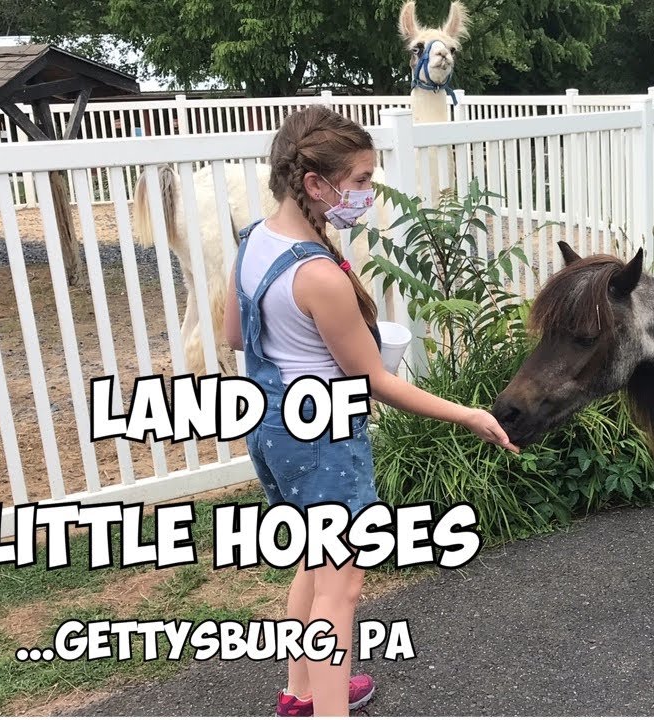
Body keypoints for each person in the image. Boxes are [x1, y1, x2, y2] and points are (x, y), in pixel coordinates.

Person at [223, 105, 518, 717]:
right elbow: (375, 380)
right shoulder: (319, 276)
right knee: (343, 587)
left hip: (273, 428)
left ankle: (300, 695)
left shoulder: (253, 241)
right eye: (360, 180)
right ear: (315, 183)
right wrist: (466, 414)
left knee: (313, 562)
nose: (366, 193)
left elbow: (234, 335)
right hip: (323, 439)